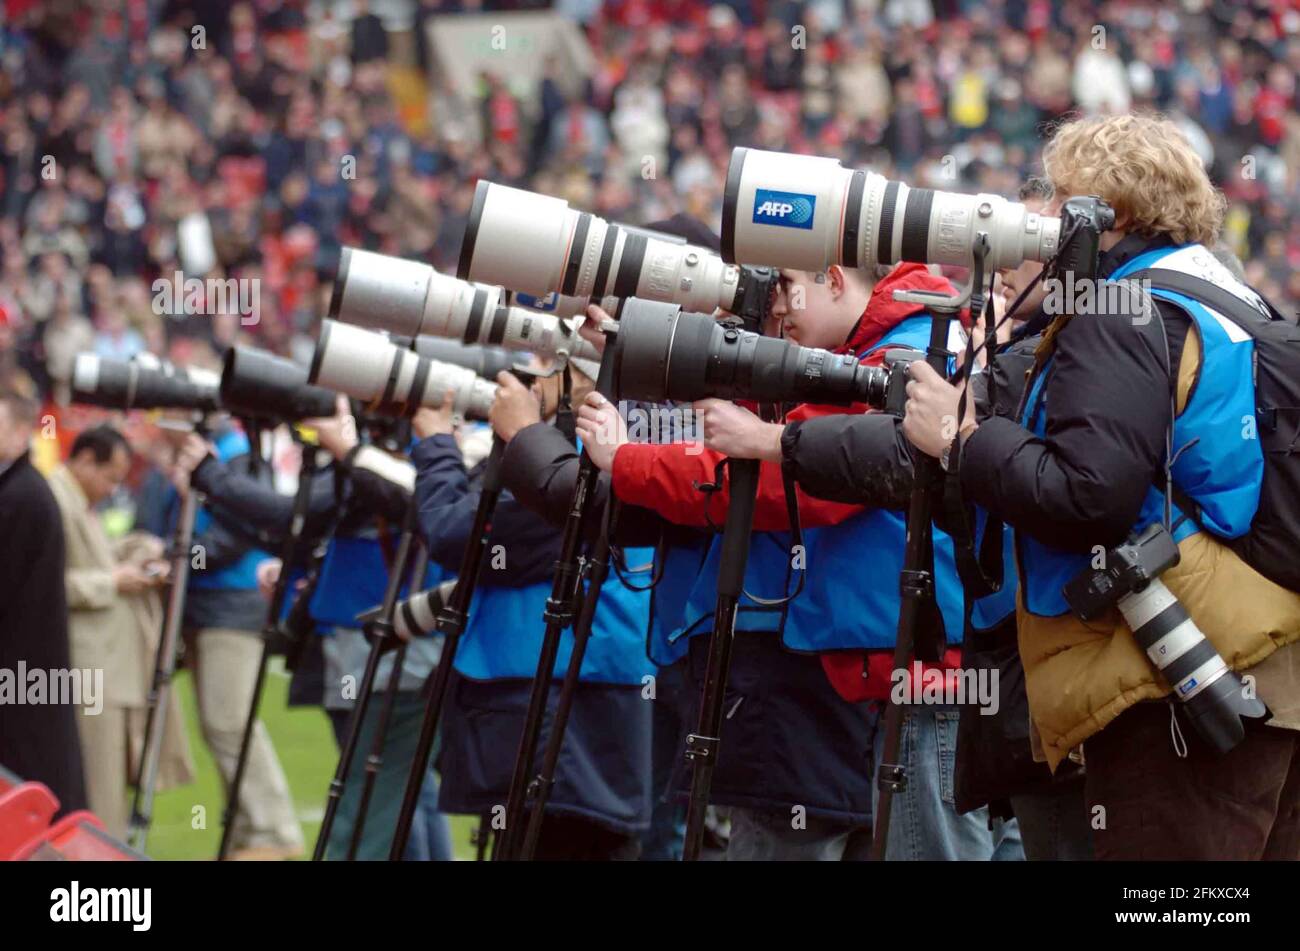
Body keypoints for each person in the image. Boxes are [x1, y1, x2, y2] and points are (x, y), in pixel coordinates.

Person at [900, 114, 1300, 859]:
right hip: (1267, 666)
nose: (1039, 219)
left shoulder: (1116, 308)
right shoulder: (1224, 293)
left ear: (1102, 213)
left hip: (1176, 683)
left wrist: (963, 440)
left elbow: (1089, 496)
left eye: (1056, 198)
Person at [579, 260, 1020, 859]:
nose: (778, 307)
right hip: (898, 662)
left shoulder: (909, 355)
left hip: (918, 668)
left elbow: (793, 483)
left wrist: (626, 460)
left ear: (835, 279)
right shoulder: (893, 341)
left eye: (789, 286)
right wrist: (650, 349)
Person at [170, 397, 452, 861]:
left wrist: (212, 476)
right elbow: (302, 526)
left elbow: (290, 514)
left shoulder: (383, 472)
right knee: (405, 797)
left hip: (392, 660)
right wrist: (293, 561)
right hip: (374, 654)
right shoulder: (385, 471)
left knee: (364, 807)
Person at [414, 360, 655, 860]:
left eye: (544, 365)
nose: (523, 379)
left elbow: (452, 534)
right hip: (578, 698)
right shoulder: (623, 439)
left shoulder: (576, 463)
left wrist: (437, 448)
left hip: (561, 705)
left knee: (557, 843)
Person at [159, 417, 304, 861]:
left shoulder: (234, 451)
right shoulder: (221, 450)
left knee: (229, 720)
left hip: (234, 600)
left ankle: (272, 831)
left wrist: (181, 561)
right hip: (210, 602)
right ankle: (247, 831)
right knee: (217, 722)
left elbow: (241, 532)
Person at [46, 423, 192, 837]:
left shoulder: (72, 501)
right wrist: (113, 582)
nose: (113, 490)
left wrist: (132, 557)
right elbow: (43, 584)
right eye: (110, 478)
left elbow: (87, 565)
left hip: (104, 665)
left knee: (109, 776)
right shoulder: (56, 500)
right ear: (86, 460)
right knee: (98, 780)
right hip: (90, 669)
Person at [0, 389, 87, 814]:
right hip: (27, 672)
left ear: (21, 433)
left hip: (22, 673)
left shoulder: (20, 495)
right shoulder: (19, 489)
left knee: (31, 788)